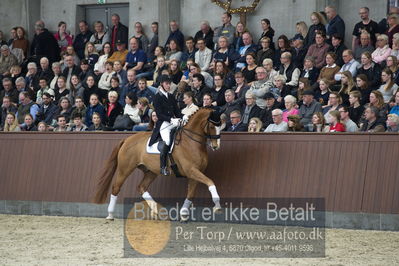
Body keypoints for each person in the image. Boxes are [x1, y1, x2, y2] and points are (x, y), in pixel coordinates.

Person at [149, 75, 183, 176]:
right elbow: (159, 114)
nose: (168, 86)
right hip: (163, 123)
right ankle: (163, 166)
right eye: (166, 84)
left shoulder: (171, 96)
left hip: (173, 122)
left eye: (169, 84)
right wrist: (171, 119)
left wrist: (182, 117)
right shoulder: (157, 97)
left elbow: (177, 111)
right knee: (167, 141)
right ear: (161, 84)